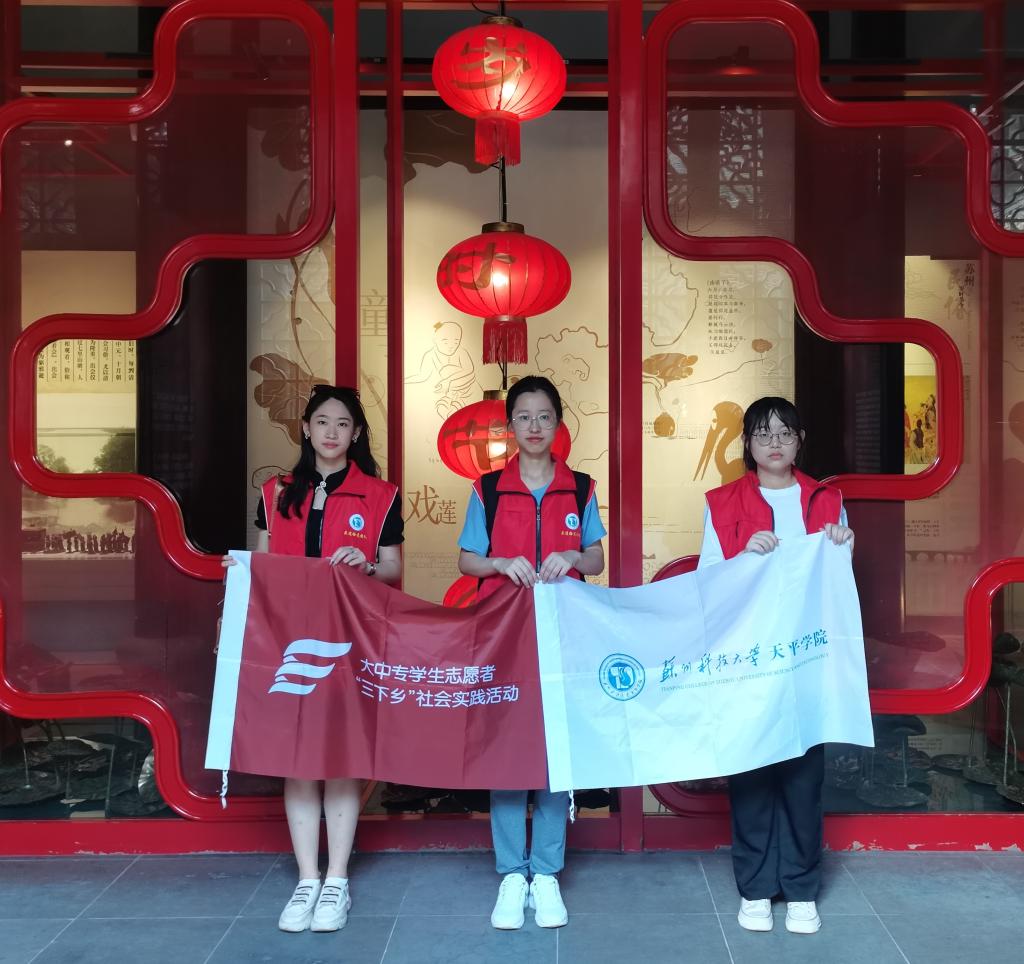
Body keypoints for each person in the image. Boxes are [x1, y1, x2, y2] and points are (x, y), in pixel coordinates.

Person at [224, 384, 402, 933]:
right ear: (305, 428)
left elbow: (393, 569)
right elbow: (262, 564)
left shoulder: (381, 495)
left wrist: (366, 565)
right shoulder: (274, 491)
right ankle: (307, 878)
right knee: (297, 758)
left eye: (343, 424)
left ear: (356, 433)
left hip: (348, 640)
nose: (331, 432)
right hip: (286, 643)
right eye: (322, 422)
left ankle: (337, 880)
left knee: (340, 756)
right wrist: (242, 573)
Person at [696, 396, 854, 937]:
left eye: (785, 432)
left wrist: (843, 546)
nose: (775, 443)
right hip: (750, 659)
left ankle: (802, 888)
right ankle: (757, 888)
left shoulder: (827, 500)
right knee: (753, 776)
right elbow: (708, 584)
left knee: (804, 779)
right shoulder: (722, 503)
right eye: (763, 434)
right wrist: (745, 558)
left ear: (800, 440)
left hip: (807, 660)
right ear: (747, 443)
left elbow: (837, 583)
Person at [457, 375, 606, 931]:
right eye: (524, 417)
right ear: (510, 426)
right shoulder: (488, 489)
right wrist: (500, 564)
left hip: (563, 634)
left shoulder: (581, 487)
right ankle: (510, 874)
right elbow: (467, 560)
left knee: (552, 749)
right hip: (502, 636)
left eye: (544, 416)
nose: (535, 426)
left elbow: (596, 559)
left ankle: (545, 872)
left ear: (558, 423)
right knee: (506, 750)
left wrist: (573, 557)